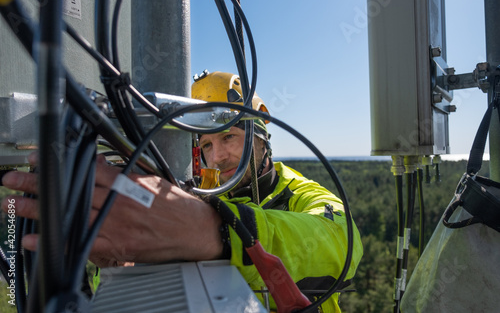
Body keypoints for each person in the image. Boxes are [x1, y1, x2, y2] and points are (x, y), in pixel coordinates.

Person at [1, 71, 363, 312]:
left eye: (229, 137)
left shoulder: (298, 193)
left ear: (261, 138)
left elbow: (342, 240)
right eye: (206, 145)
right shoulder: (197, 193)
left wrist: (217, 231)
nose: (218, 156)